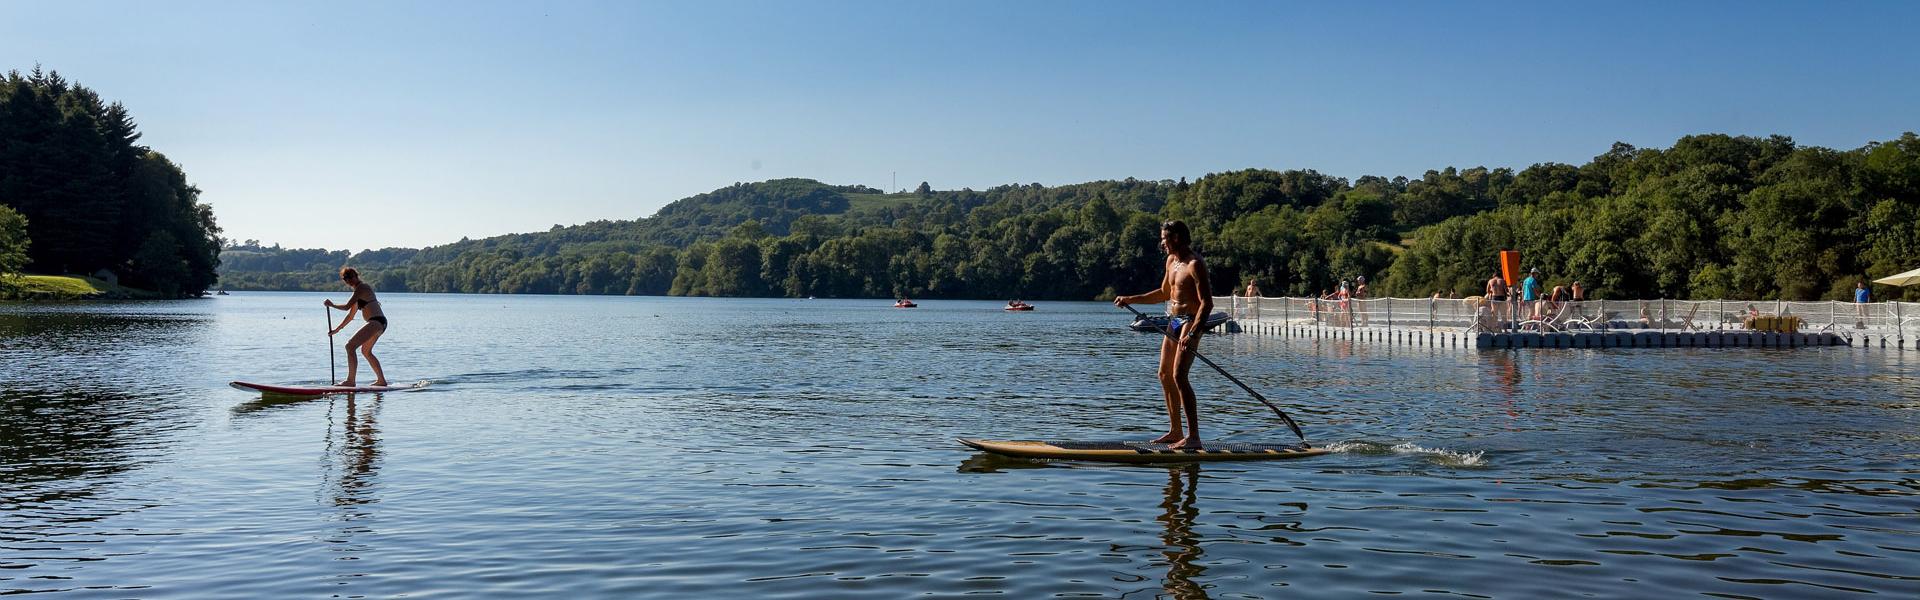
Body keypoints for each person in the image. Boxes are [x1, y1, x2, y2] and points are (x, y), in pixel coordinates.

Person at [1114, 220, 1213, 450]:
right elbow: (1164, 293)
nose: (1162, 244)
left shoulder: (1195, 264)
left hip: (1190, 322)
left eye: (1164, 239)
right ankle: (1175, 430)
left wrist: (1195, 332)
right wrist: (1130, 298)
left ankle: (1194, 436)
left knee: (1179, 375)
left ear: (1176, 237)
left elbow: (1207, 304)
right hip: (1174, 321)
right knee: (1164, 374)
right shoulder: (1171, 262)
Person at [324, 267, 389, 387]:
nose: (348, 280)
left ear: (356, 276)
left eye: (350, 277)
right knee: (366, 351)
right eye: (345, 279)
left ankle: (350, 381)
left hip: (376, 322)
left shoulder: (362, 288)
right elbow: (350, 315)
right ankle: (381, 381)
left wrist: (332, 305)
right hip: (379, 323)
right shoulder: (359, 293)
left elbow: (347, 306)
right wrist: (336, 330)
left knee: (350, 346)